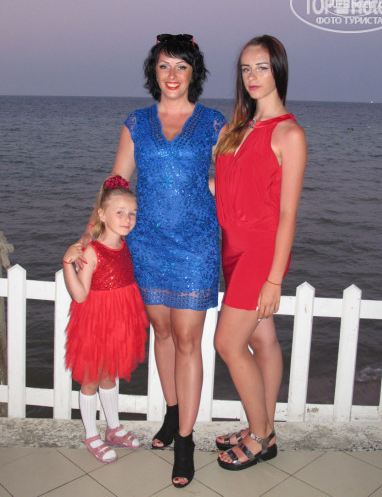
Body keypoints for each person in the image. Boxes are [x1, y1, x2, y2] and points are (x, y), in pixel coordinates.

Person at [79, 34, 227, 487]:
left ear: (194, 73)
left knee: (188, 340)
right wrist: (89, 235)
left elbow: (230, 182)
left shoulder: (213, 122)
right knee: (161, 332)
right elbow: (117, 183)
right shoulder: (136, 122)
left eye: (181, 66)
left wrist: (209, 198)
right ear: (154, 72)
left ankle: (185, 442)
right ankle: (172, 414)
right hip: (145, 244)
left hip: (196, 245)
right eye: (164, 66)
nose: (172, 75)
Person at [213, 35, 307, 470]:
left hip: (260, 251)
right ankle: (264, 427)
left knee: (228, 343)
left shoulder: (289, 133)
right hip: (231, 248)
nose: (252, 76)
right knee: (261, 339)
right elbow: (228, 188)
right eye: (246, 69)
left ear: (278, 71)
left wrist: (274, 280)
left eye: (262, 67)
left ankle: (260, 434)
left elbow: (287, 214)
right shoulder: (237, 128)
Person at [63, 175, 149, 463]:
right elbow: (80, 295)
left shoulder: (124, 246)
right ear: (102, 214)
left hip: (120, 322)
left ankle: (113, 428)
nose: (127, 219)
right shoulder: (92, 251)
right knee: (90, 379)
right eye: (120, 212)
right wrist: (67, 264)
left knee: (110, 375)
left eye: (132, 213)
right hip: (95, 323)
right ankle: (91, 435)